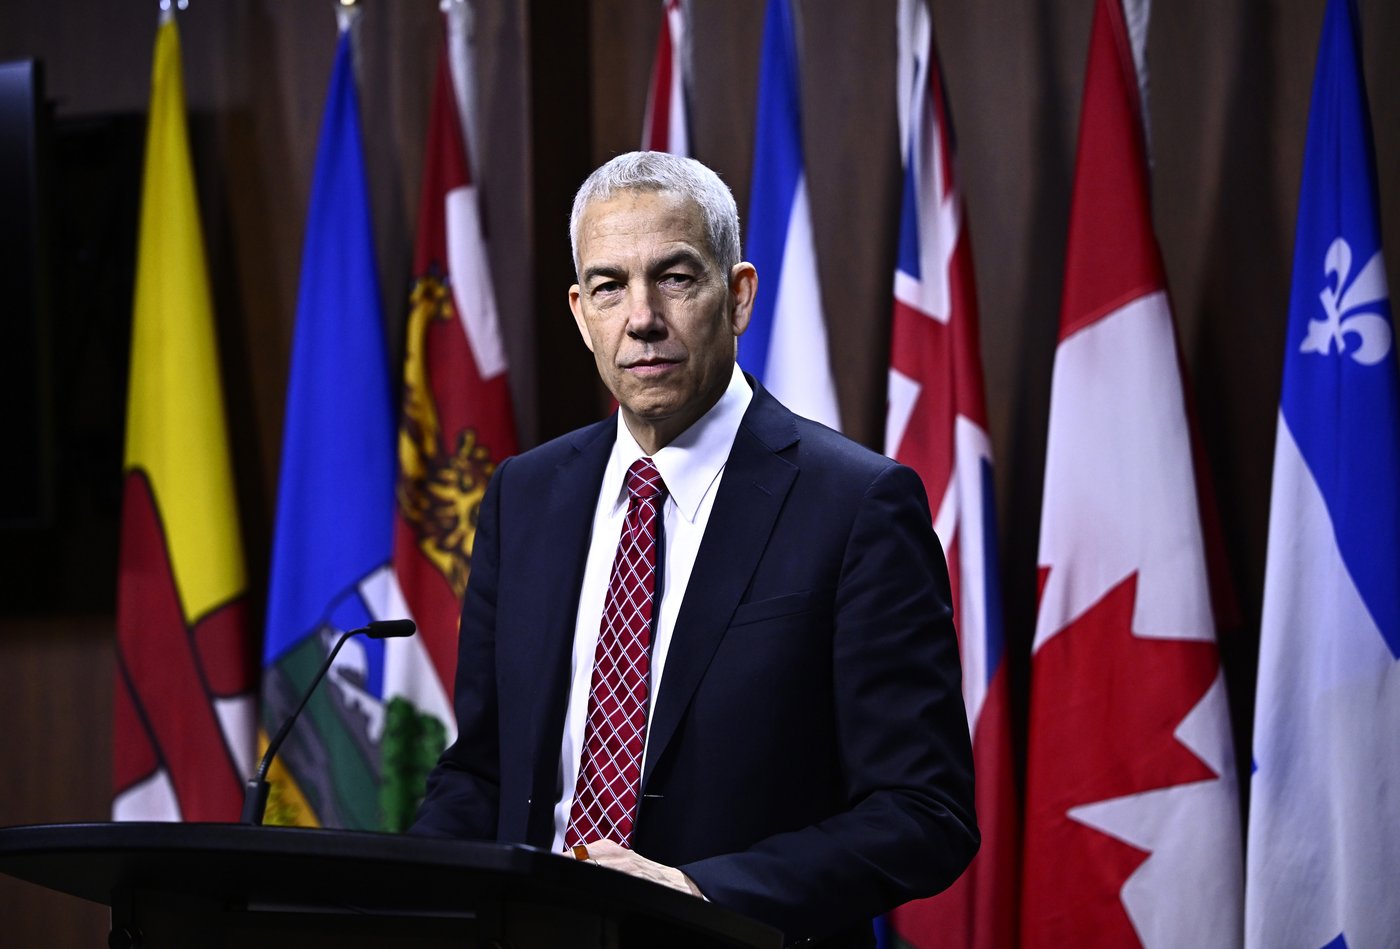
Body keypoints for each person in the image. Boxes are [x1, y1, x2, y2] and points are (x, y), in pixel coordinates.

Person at [412, 151, 977, 947]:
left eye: (674, 278)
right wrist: (405, 900)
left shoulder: (856, 505)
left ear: (738, 296)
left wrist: (698, 893)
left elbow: (924, 811)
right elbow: (482, 769)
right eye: (609, 286)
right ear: (580, 312)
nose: (641, 317)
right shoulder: (523, 496)